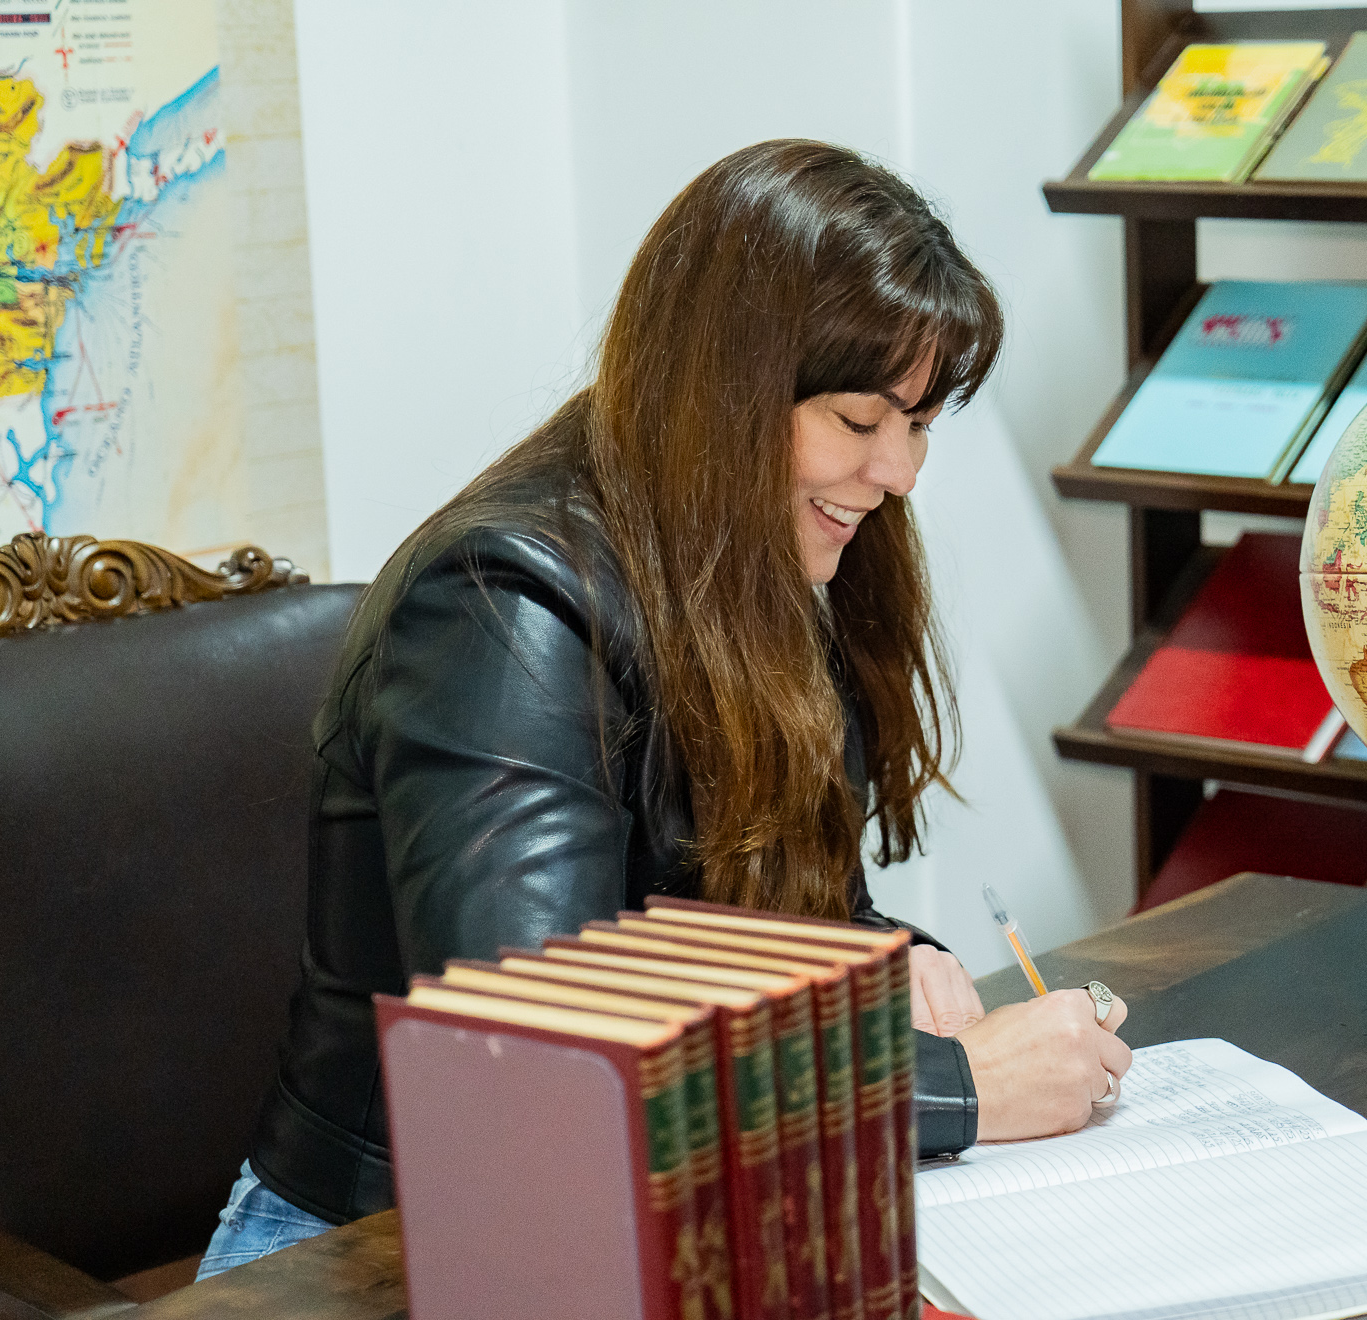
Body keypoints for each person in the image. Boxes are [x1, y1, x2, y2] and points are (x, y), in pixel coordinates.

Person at [196, 140, 1132, 1281]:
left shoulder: (760, 562)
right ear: (727, 389)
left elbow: (752, 905)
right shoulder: (504, 604)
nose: (900, 473)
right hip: (383, 1255)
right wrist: (956, 1088)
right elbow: (539, 1067)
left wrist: (888, 959)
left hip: (669, 1217)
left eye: (921, 423)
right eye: (857, 418)